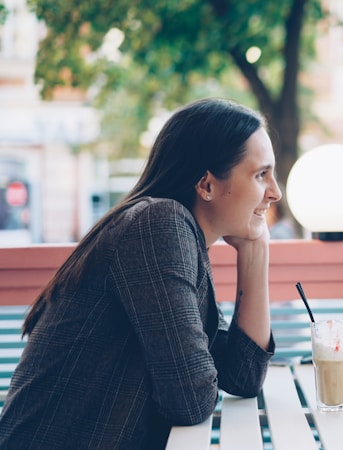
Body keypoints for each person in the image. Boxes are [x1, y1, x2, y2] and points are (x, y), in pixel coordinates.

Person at [0, 98, 281, 449]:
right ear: (206, 185)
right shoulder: (158, 225)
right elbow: (191, 401)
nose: (275, 192)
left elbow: (243, 375)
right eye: (260, 174)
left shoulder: (179, 236)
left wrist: (256, 251)